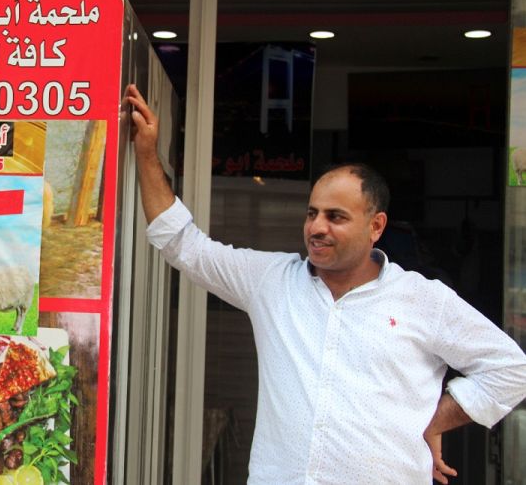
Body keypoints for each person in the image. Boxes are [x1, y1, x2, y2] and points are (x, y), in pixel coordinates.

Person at [124, 84, 526, 484]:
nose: (316, 227)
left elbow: (511, 369)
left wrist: (435, 420)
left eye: (335, 217)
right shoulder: (271, 282)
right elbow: (182, 244)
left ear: (376, 226)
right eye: (312, 213)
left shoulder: (421, 299)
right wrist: (146, 152)